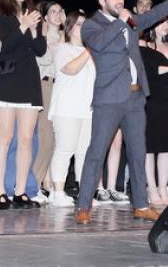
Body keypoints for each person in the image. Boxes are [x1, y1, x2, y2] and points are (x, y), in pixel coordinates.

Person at [74, 0, 168, 224]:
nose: (120, 0)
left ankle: (141, 205)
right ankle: (83, 206)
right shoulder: (92, 25)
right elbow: (99, 43)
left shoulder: (132, 22)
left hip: (135, 98)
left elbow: (158, 12)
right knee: (97, 152)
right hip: (109, 99)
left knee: (138, 152)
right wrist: (122, 21)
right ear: (102, 1)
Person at [0, 0, 46, 209]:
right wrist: (22, 26)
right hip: (6, 79)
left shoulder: (32, 14)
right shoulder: (1, 15)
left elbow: (40, 49)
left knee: (26, 138)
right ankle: (0, 192)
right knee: (5, 136)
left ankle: (21, 191)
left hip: (29, 80)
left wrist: (33, 28)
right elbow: (3, 49)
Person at [48, 11, 94, 207]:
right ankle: (57, 192)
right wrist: (90, 50)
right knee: (65, 149)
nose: (83, 28)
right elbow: (71, 69)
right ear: (69, 27)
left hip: (88, 110)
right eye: (79, 24)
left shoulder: (93, 53)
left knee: (85, 152)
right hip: (66, 108)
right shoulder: (62, 49)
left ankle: (85, 194)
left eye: (86, 24)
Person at [141, 17, 168, 205]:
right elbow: (148, 71)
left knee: (167, 146)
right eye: (161, 22)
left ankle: (162, 187)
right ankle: (151, 188)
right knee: (149, 147)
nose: (165, 26)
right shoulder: (145, 46)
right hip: (150, 100)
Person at [33, 0, 65, 196]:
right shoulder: (41, 36)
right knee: (44, 136)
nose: (57, 14)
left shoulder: (67, 36)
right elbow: (44, 59)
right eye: (52, 11)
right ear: (45, 17)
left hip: (62, 88)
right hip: (45, 85)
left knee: (57, 138)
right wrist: (53, 41)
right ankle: (34, 183)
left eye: (60, 11)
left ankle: (49, 183)